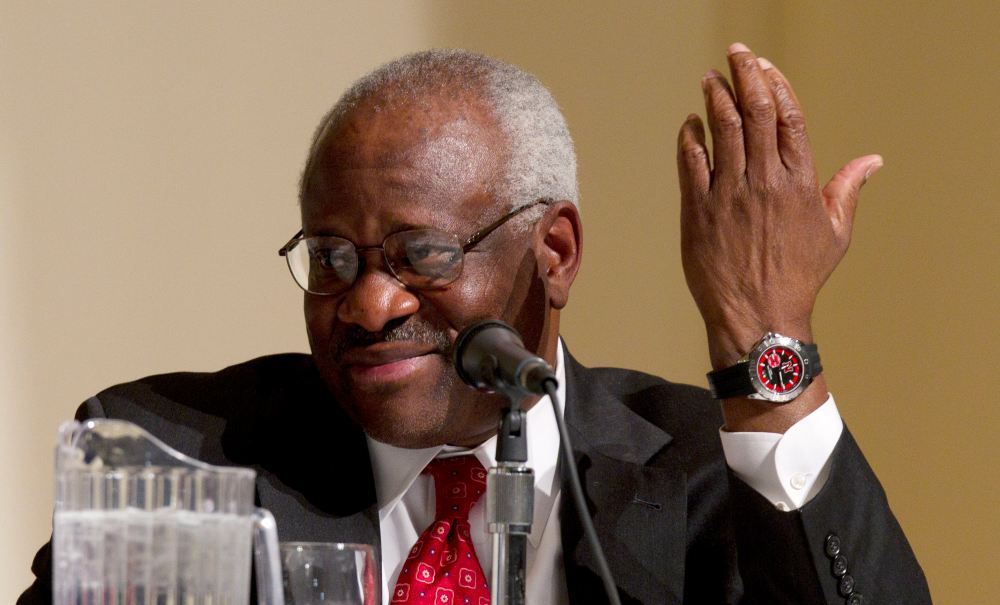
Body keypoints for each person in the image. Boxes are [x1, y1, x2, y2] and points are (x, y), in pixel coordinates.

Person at [20, 43, 931, 604]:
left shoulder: (698, 478)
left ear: (555, 253)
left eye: (423, 255)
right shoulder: (177, 459)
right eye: (333, 258)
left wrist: (762, 340)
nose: (370, 305)